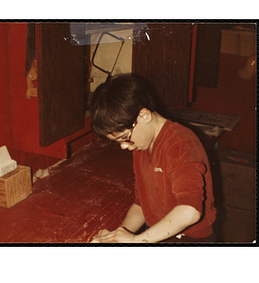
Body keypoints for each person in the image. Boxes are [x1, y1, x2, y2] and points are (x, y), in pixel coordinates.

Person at [89, 73, 216, 243]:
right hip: (160, 232)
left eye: (124, 138)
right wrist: (121, 234)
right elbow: (142, 202)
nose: (124, 146)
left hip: (190, 239)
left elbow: (190, 211)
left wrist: (135, 240)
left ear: (144, 116)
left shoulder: (180, 144)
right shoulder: (141, 144)